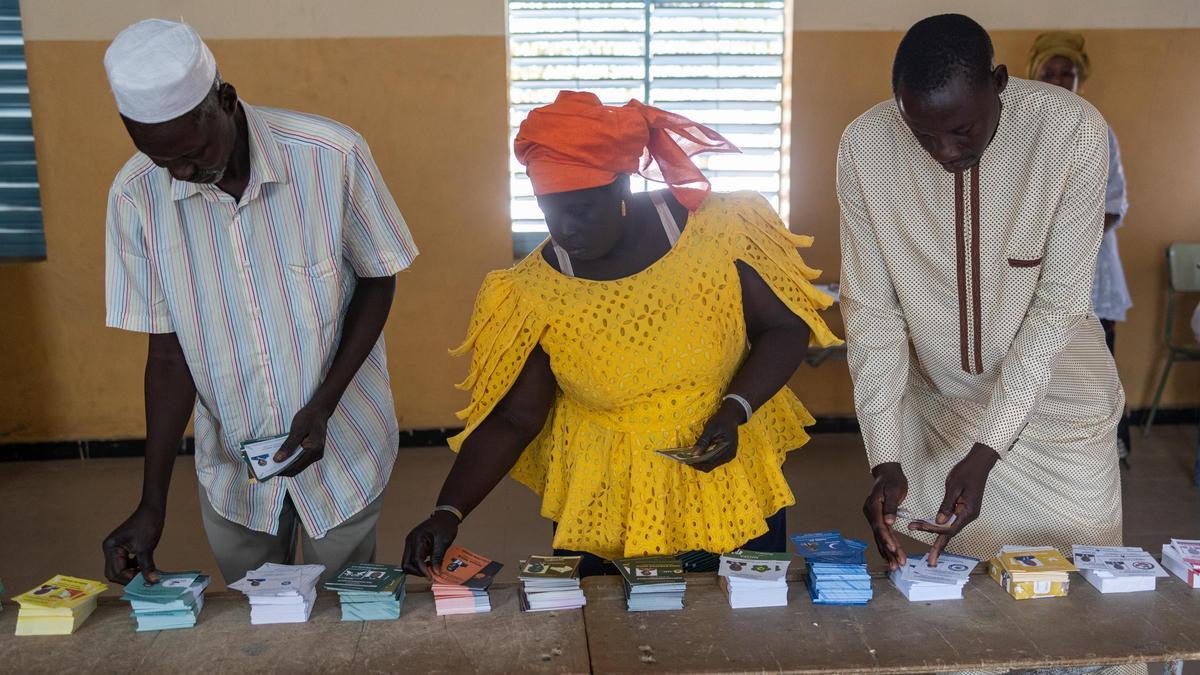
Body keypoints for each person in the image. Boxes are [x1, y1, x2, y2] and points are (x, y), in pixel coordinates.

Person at [402, 90, 841, 577]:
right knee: (612, 637)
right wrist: (447, 512)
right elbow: (514, 418)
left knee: (741, 623)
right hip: (608, 498)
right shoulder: (532, 290)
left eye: (583, 209)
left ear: (623, 188)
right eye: (550, 209)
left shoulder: (718, 231)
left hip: (729, 478)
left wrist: (735, 409)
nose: (566, 228)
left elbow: (783, 328)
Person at [100, 20, 417, 586]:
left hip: (343, 448)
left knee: (350, 615)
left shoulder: (330, 155)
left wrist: (324, 404)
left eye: (192, 153)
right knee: (259, 622)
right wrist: (152, 502)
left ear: (224, 100)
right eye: (159, 159)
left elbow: (377, 278)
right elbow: (169, 355)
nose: (181, 173)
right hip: (234, 468)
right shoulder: (135, 197)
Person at [838, 15, 1125, 572]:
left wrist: (989, 449)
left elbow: (1056, 307)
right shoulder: (865, 146)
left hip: (1059, 412)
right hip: (941, 415)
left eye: (963, 131)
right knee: (959, 608)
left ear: (999, 82)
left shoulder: (1071, 132)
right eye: (923, 134)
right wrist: (886, 456)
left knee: (1078, 602)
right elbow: (872, 311)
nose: (944, 151)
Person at [1028, 31, 1133, 461]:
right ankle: (1046, 451)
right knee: (1040, 362)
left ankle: (1108, 445)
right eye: (1047, 73)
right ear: (1033, 76)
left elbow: (1113, 204)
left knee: (1096, 365)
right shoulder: (1020, 128)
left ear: (1079, 79)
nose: (1056, 81)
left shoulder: (1097, 130)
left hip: (1091, 266)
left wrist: (1066, 238)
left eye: (1065, 74)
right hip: (1033, 267)